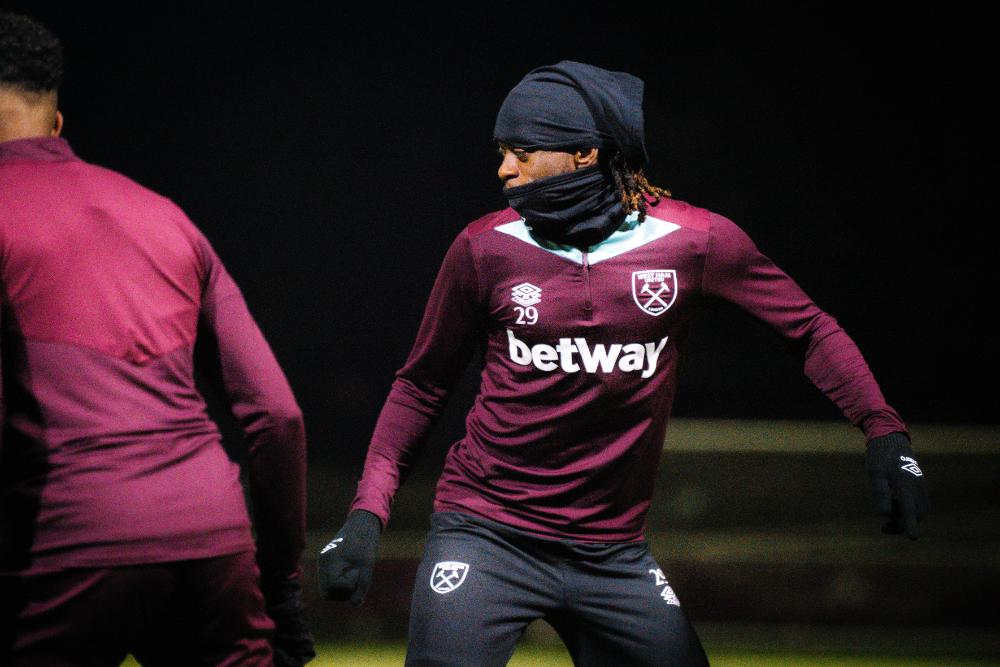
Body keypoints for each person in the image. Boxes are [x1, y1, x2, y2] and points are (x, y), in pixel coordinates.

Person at [318, 60, 929, 665]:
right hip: (486, 535)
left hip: (611, 554)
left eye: (523, 152)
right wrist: (367, 514)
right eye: (501, 151)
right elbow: (422, 386)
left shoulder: (695, 243)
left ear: (584, 154)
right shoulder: (485, 247)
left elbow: (810, 329)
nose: (504, 169)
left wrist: (883, 430)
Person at [0, 12, 314, 666]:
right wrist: (280, 586)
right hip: (212, 542)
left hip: (67, 541)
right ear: (56, 123)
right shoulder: (166, 215)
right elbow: (278, 414)